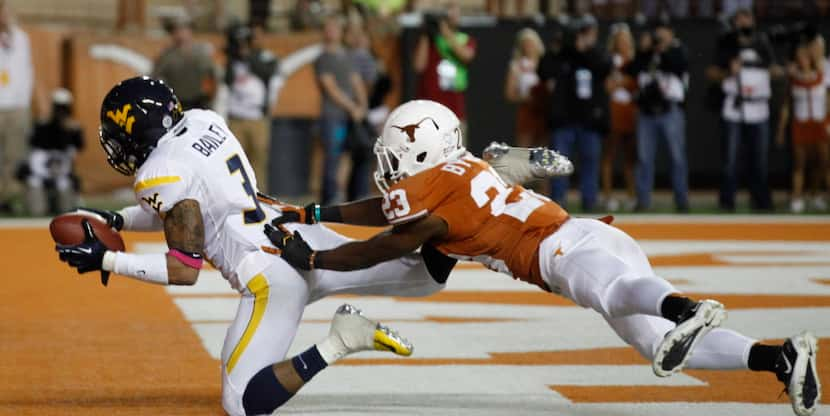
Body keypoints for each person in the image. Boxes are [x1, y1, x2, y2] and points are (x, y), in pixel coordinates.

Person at [264, 99, 821, 416]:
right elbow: (390, 219)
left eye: (399, 154)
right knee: (650, 344)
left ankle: (686, 307)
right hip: (592, 238)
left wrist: (316, 261)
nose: (390, 166)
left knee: (616, 299)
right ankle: (781, 359)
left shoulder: (436, 197)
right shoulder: (462, 171)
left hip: (560, 249)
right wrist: (315, 213)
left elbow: (390, 241)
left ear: (426, 152)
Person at [52, 77, 562, 416]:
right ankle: (489, 170)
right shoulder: (206, 122)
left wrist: (105, 258)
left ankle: (339, 341)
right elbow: (185, 205)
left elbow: (184, 267)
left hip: (270, 273)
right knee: (421, 274)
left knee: (242, 402)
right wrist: (115, 219)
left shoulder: (157, 173)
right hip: (290, 228)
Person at [708, 8, 779, 211]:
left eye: (746, 18)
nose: (743, 23)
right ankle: (727, 202)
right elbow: (712, 72)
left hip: (758, 106)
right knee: (730, 160)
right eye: (739, 19)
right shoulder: (726, 43)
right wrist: (728, 71)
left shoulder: (762, 42)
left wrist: (767, 69)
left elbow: (775, 70)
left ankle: (761, 201)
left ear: (753, 21)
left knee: (759, 160)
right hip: (735, 107)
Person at [538, 15, 610, 211]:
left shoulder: (595, 53)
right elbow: (544, 70)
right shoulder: (561, 55)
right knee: (559, 165)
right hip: (564, 120)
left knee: (590, 162)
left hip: (589, 120)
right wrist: (561, 47)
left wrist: (587, 49)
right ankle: (558, 202)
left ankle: (590, 201)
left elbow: (605, 67)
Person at [629, 20, 690, 212]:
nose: (659, 37)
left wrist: (662, 48)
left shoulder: (678, 50)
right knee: (644, 158)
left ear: (671, 33)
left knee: (676, 157)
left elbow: (676, 65)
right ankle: (643, 200)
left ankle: (681, 200)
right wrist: (644, 50)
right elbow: (633, 69)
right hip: (647, 112)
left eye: (663, 33)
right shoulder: (648, 54)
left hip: (670, 109)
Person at [315, 14, 370, 204]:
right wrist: (352, 106)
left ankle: (352, 195)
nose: (331, 31)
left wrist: (362, 106)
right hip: (334, 116)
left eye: (335, 28)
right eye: (328, 28)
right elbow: (330, 88)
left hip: (351, 117)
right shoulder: (323, 58)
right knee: (333, 156)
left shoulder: (348, 56)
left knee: (352, 155)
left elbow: (357, 81)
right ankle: (331, 197)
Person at [224, 23, 280, 194]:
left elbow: (266, 72)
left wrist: (248, 56)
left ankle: (260, 197)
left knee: (258, 162)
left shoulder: (266, 57)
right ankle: (235, 197)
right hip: (236, 117)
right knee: (234, 162)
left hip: (257, 117)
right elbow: (227, 80)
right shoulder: (233, 60)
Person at [776, 35, 829, 213]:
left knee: (822, 163)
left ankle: (815, 194)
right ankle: (797, 197)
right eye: (800, 57)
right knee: (799, 163)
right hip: (800, 124)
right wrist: (781, 130)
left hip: (819, 124)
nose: (803, 59)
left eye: (806, 56)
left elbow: (828, 101)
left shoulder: (821, 76)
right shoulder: (793, 79)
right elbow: (786, 106)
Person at [413, 1, 476, 139]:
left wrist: (445, 31)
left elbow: (466, 55)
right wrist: (425, 33)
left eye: (454, 11)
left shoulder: (464, 39)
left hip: (453, 108)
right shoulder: (429, 40)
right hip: (428, 109)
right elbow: (419, 66)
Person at [23, 89, 83, 216]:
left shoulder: (73, 129)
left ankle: (59, 204)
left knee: (66, 210)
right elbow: (34, 144)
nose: (61, 112)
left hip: (61, 173)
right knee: (37, 209)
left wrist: (71, 132)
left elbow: (78, 148)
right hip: (40, 172)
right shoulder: (42, 126)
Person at [0, 0, 33, 213]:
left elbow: (27, 70)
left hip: (17, 105)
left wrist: (25, 100)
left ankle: (8, 198)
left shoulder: (21, 38)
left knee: (14, 155)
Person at [601, 23, 637, 212]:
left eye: (625, 40)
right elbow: (607, 86)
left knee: (630, 157)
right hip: (613, 112)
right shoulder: (609, 61)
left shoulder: (634, 60)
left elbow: (636, 85)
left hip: (630, 112)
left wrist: (623, 82)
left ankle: (632, 195)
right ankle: (608, 196)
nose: (623, 43)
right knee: (609, 155)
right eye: (619, 40)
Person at [152, 16, 216, 110]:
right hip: (176, 105)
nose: (179, 34)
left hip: (200, 104)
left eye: (183, 29)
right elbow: (154, 78)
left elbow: (215, 77)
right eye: (175, 30)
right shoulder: (166, 56)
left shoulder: (201, 54)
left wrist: (212, 100)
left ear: (190, 31)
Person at [504, 28, 547, 150]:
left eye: (531, 43)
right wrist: (527, 98)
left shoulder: (545, 63)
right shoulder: (516, 65)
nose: (529, 47)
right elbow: (509, 93)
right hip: (527, 112)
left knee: (543, 152)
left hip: (544, 111)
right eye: (525, 44)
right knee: (525, 150)